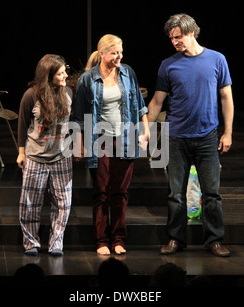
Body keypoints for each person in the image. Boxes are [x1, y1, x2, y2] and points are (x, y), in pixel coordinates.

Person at [147, 13, 234, 257]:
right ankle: (175, 239)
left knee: (212, 194)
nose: (175, 41)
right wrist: (143, 130)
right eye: (172, 38)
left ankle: (214, 240)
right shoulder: (168, 64)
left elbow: (226, 98)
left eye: (179, 36)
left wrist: (227, 133)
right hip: (176, 138)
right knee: (176, 194)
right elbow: (157, 102)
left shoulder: (217, 59)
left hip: (207, 136)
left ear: (192, 32)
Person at [74, 34, 149, 256]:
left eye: (121, 52)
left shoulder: (128, 73)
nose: (119, 56)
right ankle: (101, 240)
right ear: (103, 54)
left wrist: (144, 132)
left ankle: (118, 238)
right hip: (100, 141)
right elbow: (79, 116)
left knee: (121, 192)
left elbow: (140, 106)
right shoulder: (87, 79)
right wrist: (79, 144)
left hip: (125, 139)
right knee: (101, 193)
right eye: (115, 52)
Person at [17, 54, 73, 257]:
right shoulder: (31, 95)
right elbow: (23, 125)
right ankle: (31, 242)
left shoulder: (68, 92)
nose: (65, 75)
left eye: (64, 70)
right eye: (60, 73)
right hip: (36, 156)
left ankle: (56, 242)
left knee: (63, 203)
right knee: (30, 203)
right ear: (49, 76)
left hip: (61, 156)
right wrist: (21, 153)